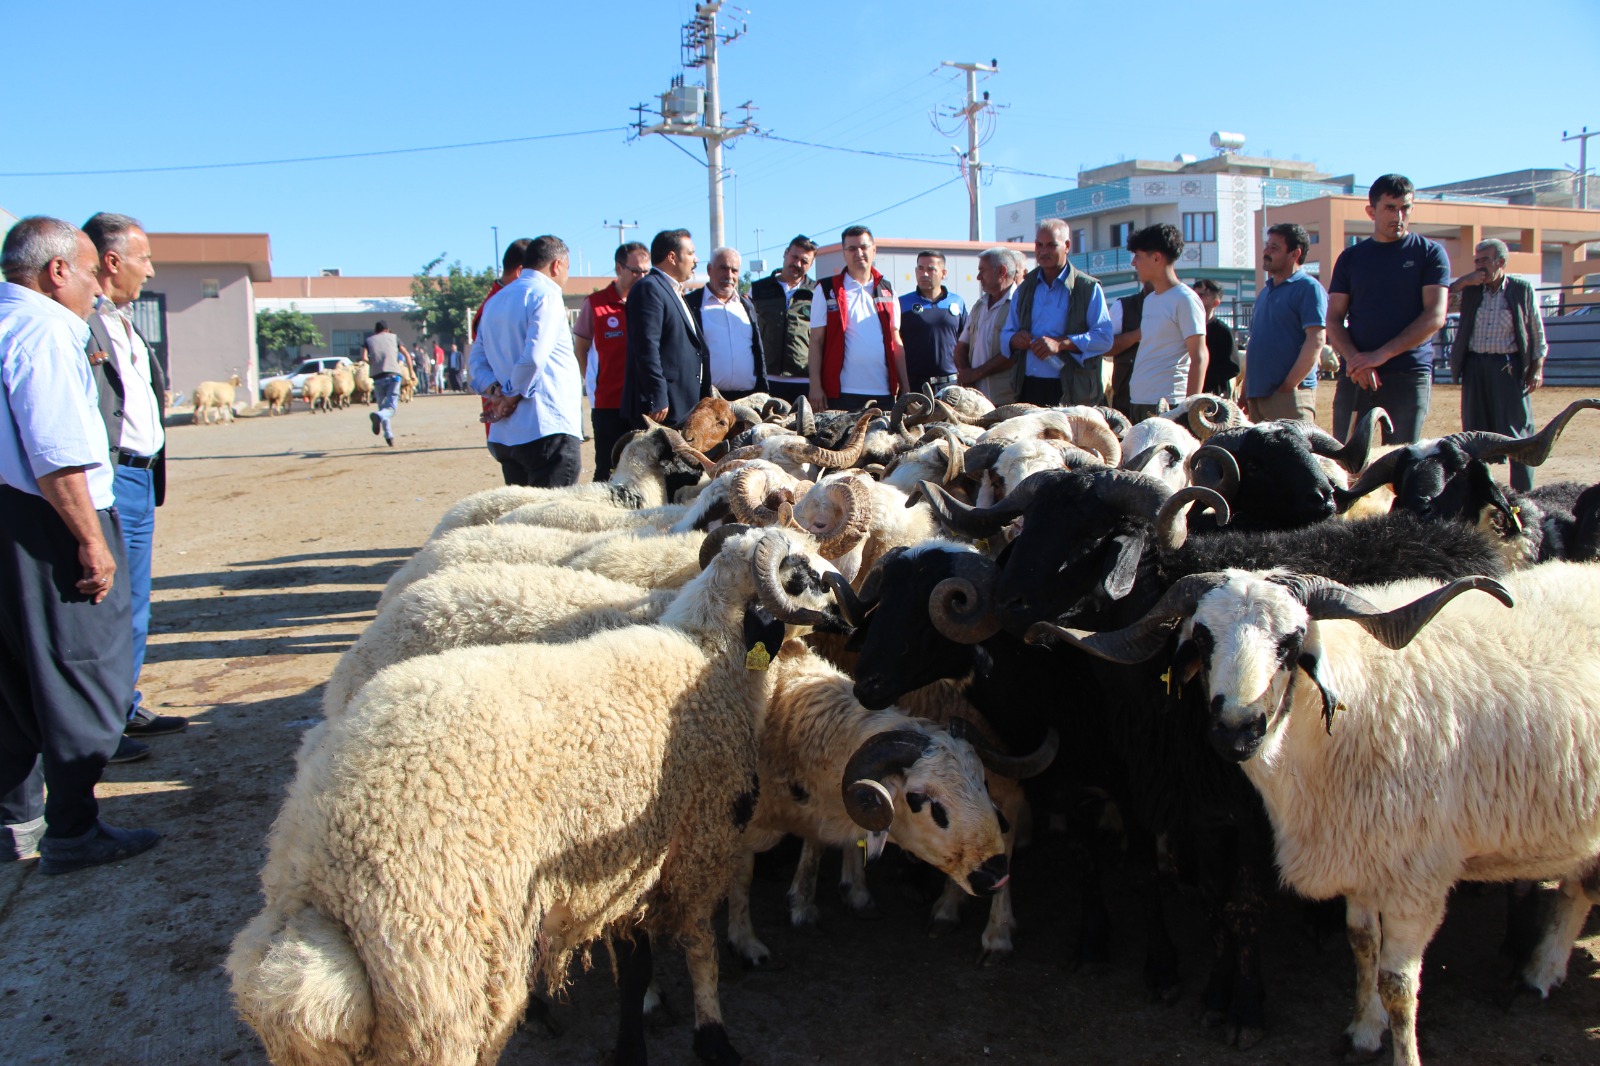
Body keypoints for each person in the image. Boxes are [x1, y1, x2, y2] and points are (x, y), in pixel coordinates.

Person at [0, 216, 161, 874]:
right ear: (58, 270)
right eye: (94, 271)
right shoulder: (44, 331)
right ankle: (73, 826)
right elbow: (58, 453)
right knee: (82, 668)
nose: (102, 285)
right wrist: (91, 543)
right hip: (52, 520)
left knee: (14, 678)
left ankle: (17, 821)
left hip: (13, 519)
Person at [82, 213, 186, 764]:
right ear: (113, 261)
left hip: (142, 474)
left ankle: (123, 704)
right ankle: (99, 726)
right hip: (111, 475)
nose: (150, 269)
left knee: (137, 601)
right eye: (143, 258)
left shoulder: (123, 321)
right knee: (108, 604)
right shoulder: (83, 323)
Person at [1327, 173, 1450, 444]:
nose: (1399, 216)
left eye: (1405, 208)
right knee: (1345, 459)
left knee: (1400, 463)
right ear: (1371, 211)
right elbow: (1334, 319)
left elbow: (1435, 316)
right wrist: (1357, 360)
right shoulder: (1351, 258)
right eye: (1390, 208)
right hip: (1357, 376)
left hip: (1408, 374)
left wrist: (1380, 355)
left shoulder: (1429, 253)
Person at [469, 235, 583, 487]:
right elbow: (533, 356)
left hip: (508, 434)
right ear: (557, 265)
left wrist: (495, 392)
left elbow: (476, 362)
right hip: (546, 427)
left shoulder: (495, 301)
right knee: (551, 520)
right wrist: (510, 396)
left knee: (519, 520)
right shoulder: (547, 295)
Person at [1449, 238, 1548, 491]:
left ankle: (1523, 496)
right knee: (1473, 433)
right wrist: (1463, 281)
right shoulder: (1470, 290)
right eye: (1476, 261)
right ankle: (1475, 493)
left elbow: (1536, 332)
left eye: (1485, 260)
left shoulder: (1520, 289)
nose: (1480, 266)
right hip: (1475, 367)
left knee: (1517, 432)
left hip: (1508, 368)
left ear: (1501, 262)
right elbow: (1443, 302)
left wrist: (1536, 368)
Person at [1001, 219, 1113, 407]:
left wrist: (1061, 344)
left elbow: (1104, 338)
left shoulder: (1087, 288)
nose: (1043, 252)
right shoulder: (1025, 288)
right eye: (1039, 245)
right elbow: (1005, 335)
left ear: (1067, 246)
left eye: (1051, 245)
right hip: (1028, 387)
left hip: (1070, 391)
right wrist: (1014, 340)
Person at [808, 225, 908, 411]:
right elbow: (816, 341)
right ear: (844, 253)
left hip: (883, 394)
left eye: (864, 247)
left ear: (874, 250)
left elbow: (896, 341)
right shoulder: (826, 289)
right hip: (840, 395)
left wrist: (906, 389)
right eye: (852, 249)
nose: (859, 253)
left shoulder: (888, 290)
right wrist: (815, 386)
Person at [574, 242, 649, 480]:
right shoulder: (595, 304)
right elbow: (581, 347)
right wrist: (592, 384)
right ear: (619, 268)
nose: (642, 276)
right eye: (635, 271)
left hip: (644, 404)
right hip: (609, 403)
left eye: (646, 272)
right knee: (607, 467)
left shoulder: (651, 303)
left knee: (643, 469)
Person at [622, 228, 709, 427]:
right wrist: (657, 395)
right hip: (663, 409)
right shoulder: (649, 288)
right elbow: (646, 347)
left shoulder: (674, 290)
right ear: (671, 257)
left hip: (683, 404)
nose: (695, 259)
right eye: (690, 253)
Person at [1243, 222, 1327, 423]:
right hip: (1257, 398)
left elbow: (1316, 340)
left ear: (1295, 254)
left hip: (1288, 398)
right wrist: (1246, 390)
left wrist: (1289, 386)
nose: (1266, 252)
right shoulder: (1264, 293)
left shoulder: (1308, 288)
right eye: (1267, 246)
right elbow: (1255, 344)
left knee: (1293, 454)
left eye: (1275, 248)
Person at [1124, 224, 1207, 422]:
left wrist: (1189, 411)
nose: (1134, 263)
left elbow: (1200, 356)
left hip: (1169, 405)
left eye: (1138, 256)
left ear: (1156, 258)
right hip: (1140, 402)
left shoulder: (1185, 299)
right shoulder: (1151, 299)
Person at [689, 247, 767, 401]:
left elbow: (758, 351)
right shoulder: (692, 304)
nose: (729, 275)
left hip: (748, 400)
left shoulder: (746, 305)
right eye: (723, 268)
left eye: (734, 270)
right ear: (710, 269)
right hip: (708, 401)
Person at [748, 235, 818, 404]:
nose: (797, 264)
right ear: (786, 253)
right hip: (765, 379)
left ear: (811, 264)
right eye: (794, 257)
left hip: (803, 381)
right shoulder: (758, 289)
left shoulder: (817, 292)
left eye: (804, 261)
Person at [473, 239, 532, 437]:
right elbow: (479, 362)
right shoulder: (496, 306)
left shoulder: (497, 302)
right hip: (506, 412)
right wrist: (500, 394)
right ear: (520, 271)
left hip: (514, 409)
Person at [953, 246, 1024, 405]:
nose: (978, 277)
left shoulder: (1020, 305)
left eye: (982, 271)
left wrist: (975, 374)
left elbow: (1014, 355)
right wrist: (967, 376)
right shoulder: (979, 306)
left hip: (1006, 400)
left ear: (1001, 271)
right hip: (976, 402)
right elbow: (961, 347)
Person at [899, 250, 968, 395]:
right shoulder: (902, 303)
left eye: (931, 269)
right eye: (920, 268)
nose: (924, 274)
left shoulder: (957, 302)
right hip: (916, 387)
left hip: (951, 387)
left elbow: (966, 342)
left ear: (943, 273)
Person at [1104, 281, 1153, 416]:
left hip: (1168, 397)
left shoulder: (1180, 302)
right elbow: (1105, 347)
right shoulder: (1124, 306)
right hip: (1127, 400)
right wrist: (1137, 335)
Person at [360, 321, 409, 445]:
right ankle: (379, 416)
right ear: (387, 329)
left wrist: (374, 363)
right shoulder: (394, 337)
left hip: (377, 377)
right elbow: (407, 354)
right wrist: (412, 372)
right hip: (393, 376)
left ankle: (388, 435)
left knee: (382, 406)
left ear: (376, 331)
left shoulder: (369, 340)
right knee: (391, 408)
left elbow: (364, 357)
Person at [1192, 278, 1238, 398]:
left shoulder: (1222, 331)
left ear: (1215, 303)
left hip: (1212, 397)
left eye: (1201, 295)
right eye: (1194, 294)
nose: (1195, 298)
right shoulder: (1185, 328)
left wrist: (1203, 374)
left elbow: (1232, 367)